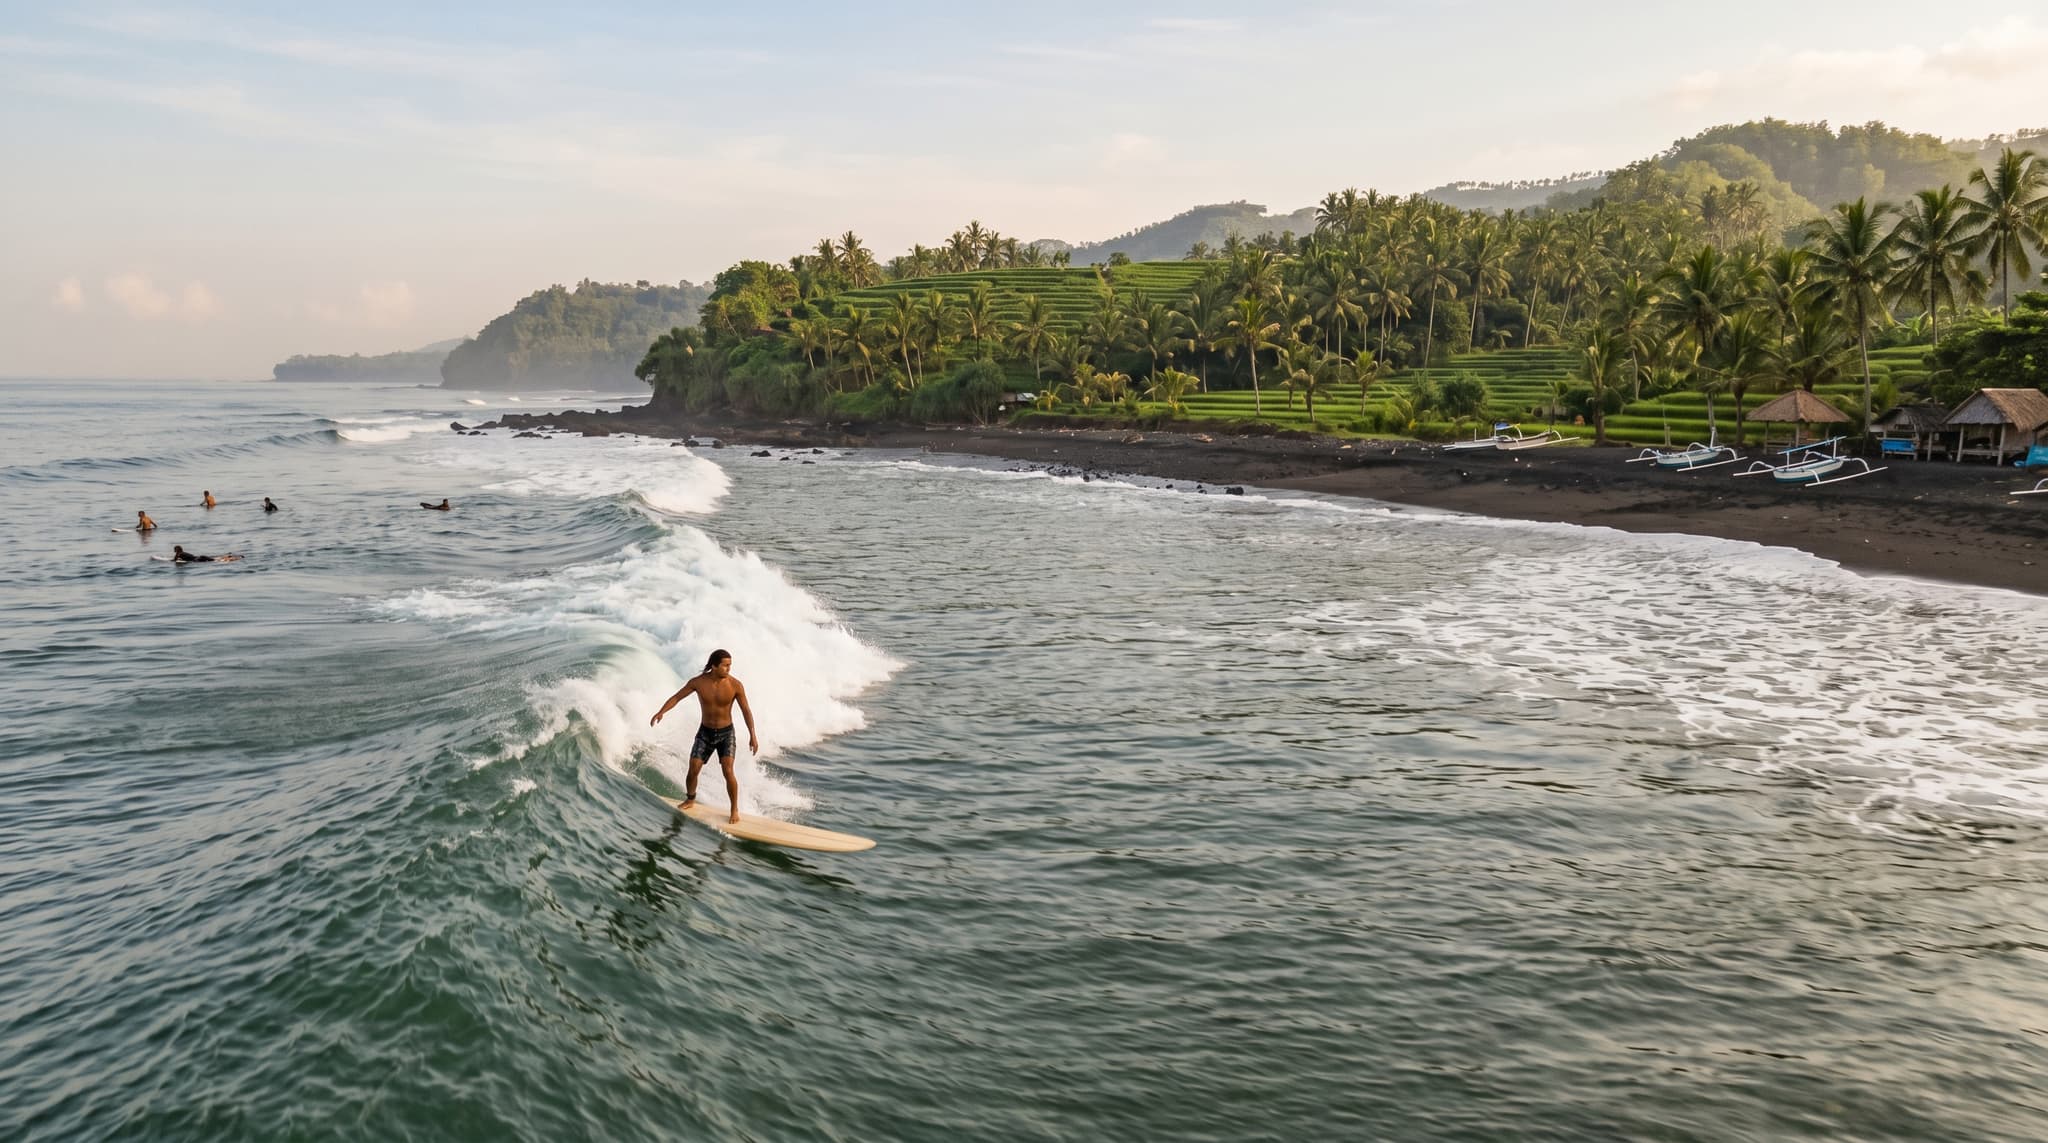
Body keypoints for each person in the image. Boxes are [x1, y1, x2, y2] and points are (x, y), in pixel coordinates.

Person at [649, 649, 758, 823]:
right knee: (693, 769)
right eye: (726, 665)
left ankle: (734, 809)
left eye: (730, 665)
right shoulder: (698, 683)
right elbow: (677, 697)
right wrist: (661, 712)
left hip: (726, 734)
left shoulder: (735, 685)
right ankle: (690, 798)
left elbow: (746, 710)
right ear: (714, 666)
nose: (729, 669)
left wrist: (753, 735)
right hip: (705, 733)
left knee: (728, 770)